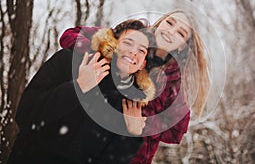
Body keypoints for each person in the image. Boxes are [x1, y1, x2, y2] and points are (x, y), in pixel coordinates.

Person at [59, 10, 210, 163]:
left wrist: (143, 124)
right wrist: (100, 51)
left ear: (182, 46)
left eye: (181, 33)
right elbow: (70, 35)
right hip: (90, 139)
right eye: (169, 22)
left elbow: (176, 132)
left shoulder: (176, 81)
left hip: (131, 156)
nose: (171, 31)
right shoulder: (135, 35)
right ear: (160, 23)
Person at [8, 19, 155, 164]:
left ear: (143, 64)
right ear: (113, 44)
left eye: (141, 50)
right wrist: (78, 87)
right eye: (128, 42)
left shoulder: (129, 105)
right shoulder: (69, 61)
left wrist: (132, 135)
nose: (133, 52)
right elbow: (25, 114)